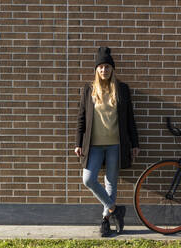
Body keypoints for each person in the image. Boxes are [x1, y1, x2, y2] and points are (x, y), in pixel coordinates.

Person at [74, 47, 140, 237]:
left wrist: (134, 144)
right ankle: (114, 209)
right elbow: (81, 118)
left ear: (112, 69)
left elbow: (129, 119)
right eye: (101, 67)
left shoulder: (122, 89)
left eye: (107, 67)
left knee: (111, 183)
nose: (104, 70)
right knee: (88, 179)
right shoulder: (88, 89)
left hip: (115, 145)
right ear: (96, 70)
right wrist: (78, 142)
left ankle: (105, 221)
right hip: (94, 145)